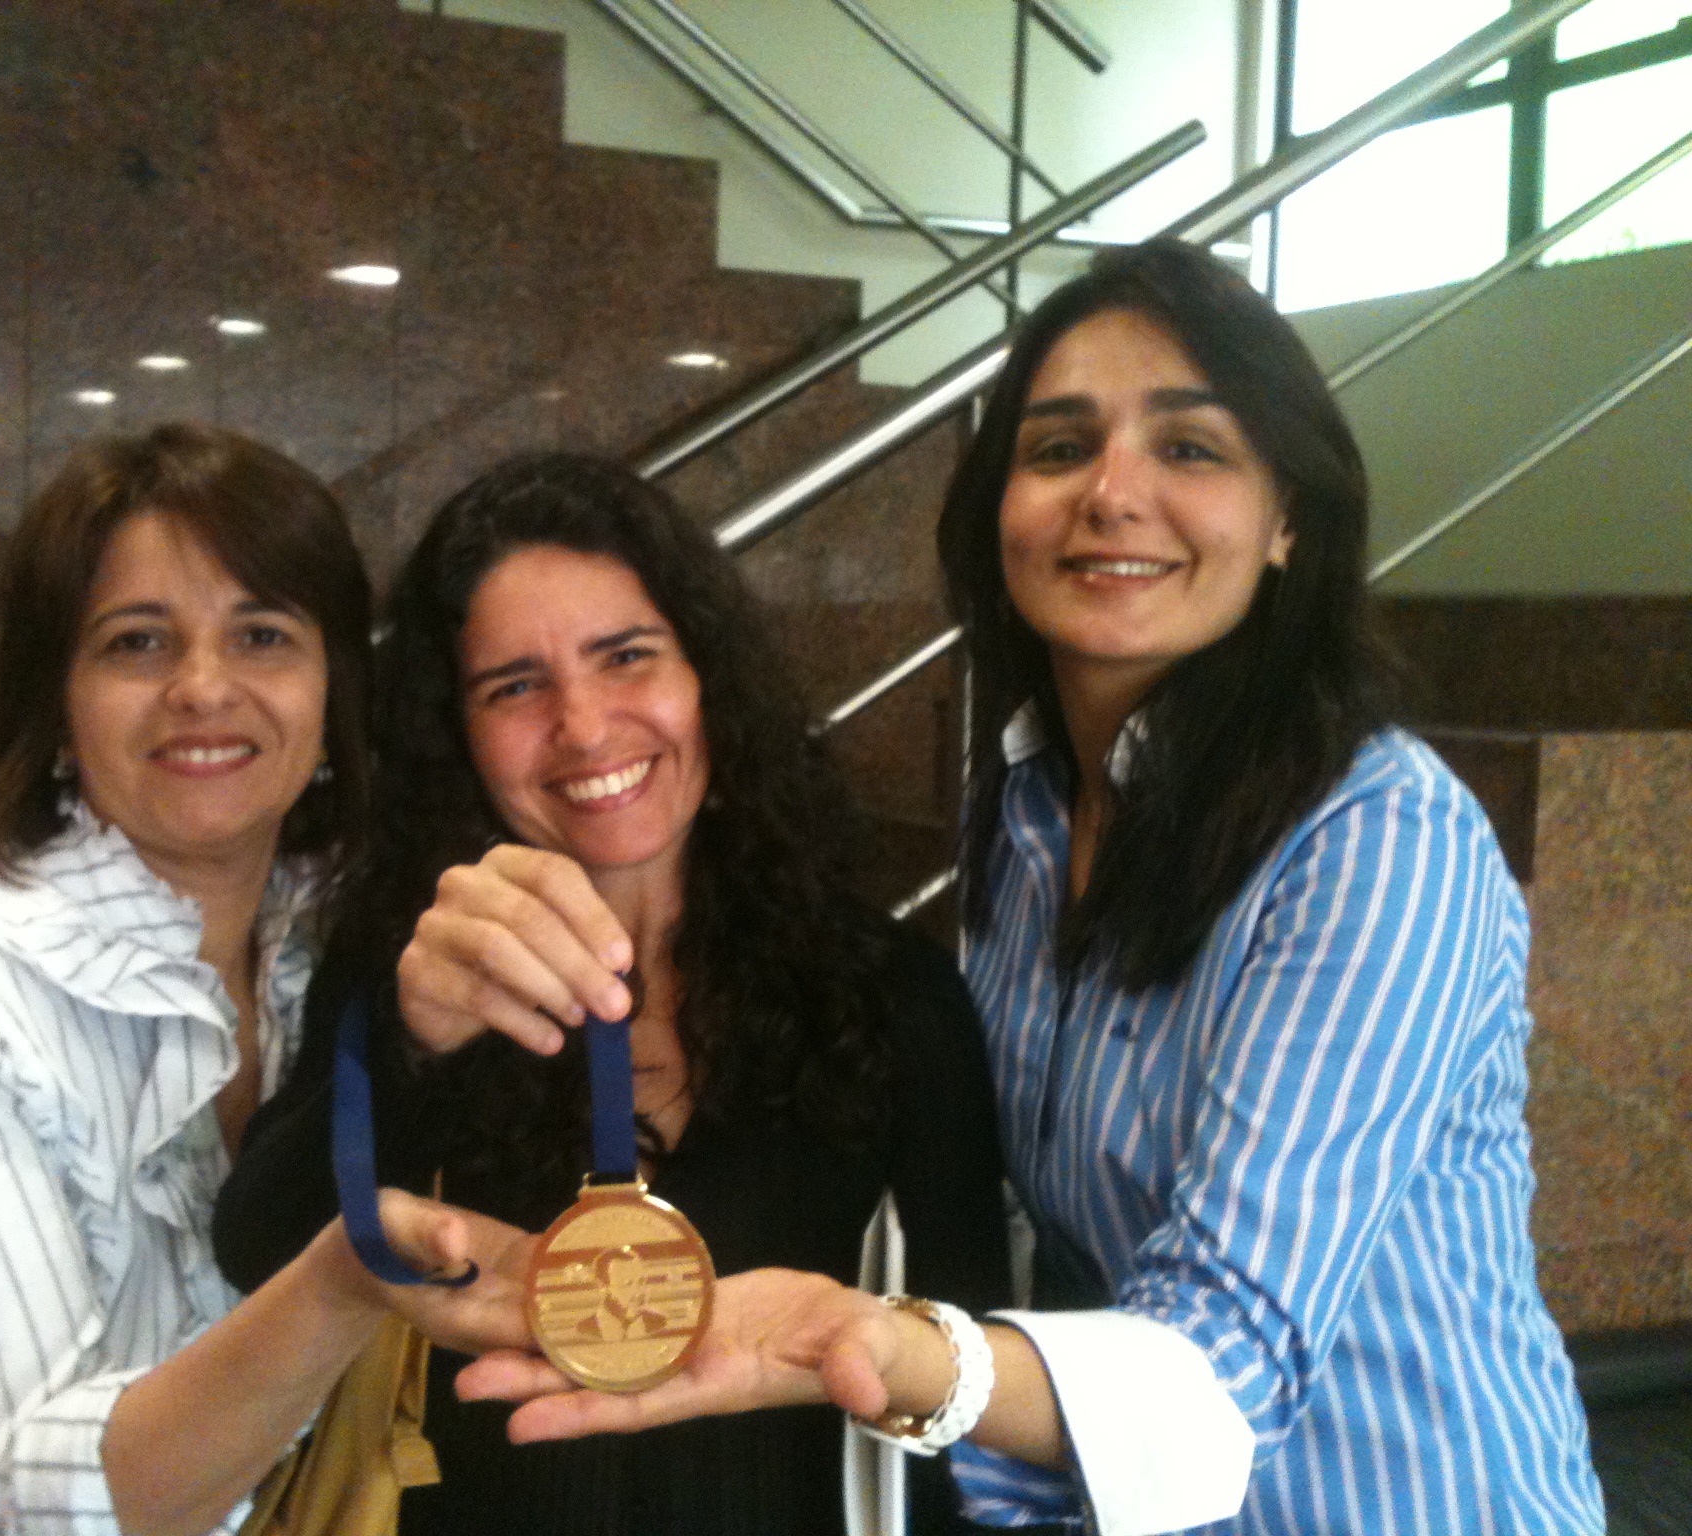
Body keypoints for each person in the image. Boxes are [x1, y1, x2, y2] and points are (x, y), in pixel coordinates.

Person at [432, 244, 1608, 1535]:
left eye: (1190, 448)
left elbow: (1223, 1365)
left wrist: (880, 1347)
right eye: (1058, 449)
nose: (1111, 494)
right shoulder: (1033, 812)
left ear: (1287, 520)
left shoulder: (1375, 838)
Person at [0, 424, 528, 1536]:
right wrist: (344, 1282)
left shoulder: (323, 941)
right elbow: (55, 1501)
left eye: (262, 635)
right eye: (137, 643)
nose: (203, 688)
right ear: (57, 706)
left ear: (330, 697)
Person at [211, 453, 1011, 1536]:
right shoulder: (412, 971)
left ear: (705, 677)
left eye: (625, 657)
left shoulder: (885, 991)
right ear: (456, 733)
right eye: (514, 686)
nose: (583, 727)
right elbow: (257, 1252)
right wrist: (408, 1045)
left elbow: (964, 1373)